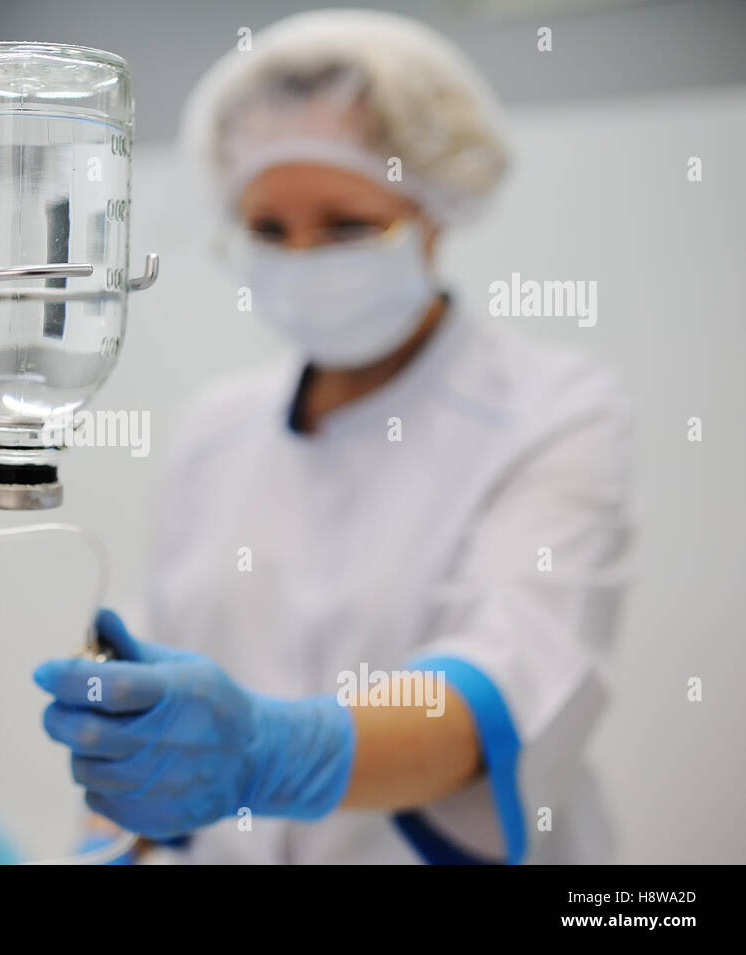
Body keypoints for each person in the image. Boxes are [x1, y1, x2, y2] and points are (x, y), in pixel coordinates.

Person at [33, 9, 633, 864]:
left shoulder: (554, 411)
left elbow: (511, 682)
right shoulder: (216, 426)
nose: (304, 258)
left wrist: (275, 753)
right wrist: (112, 829)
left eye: (347, 225)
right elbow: (157, 676)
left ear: (434, 211)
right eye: (270, 231)